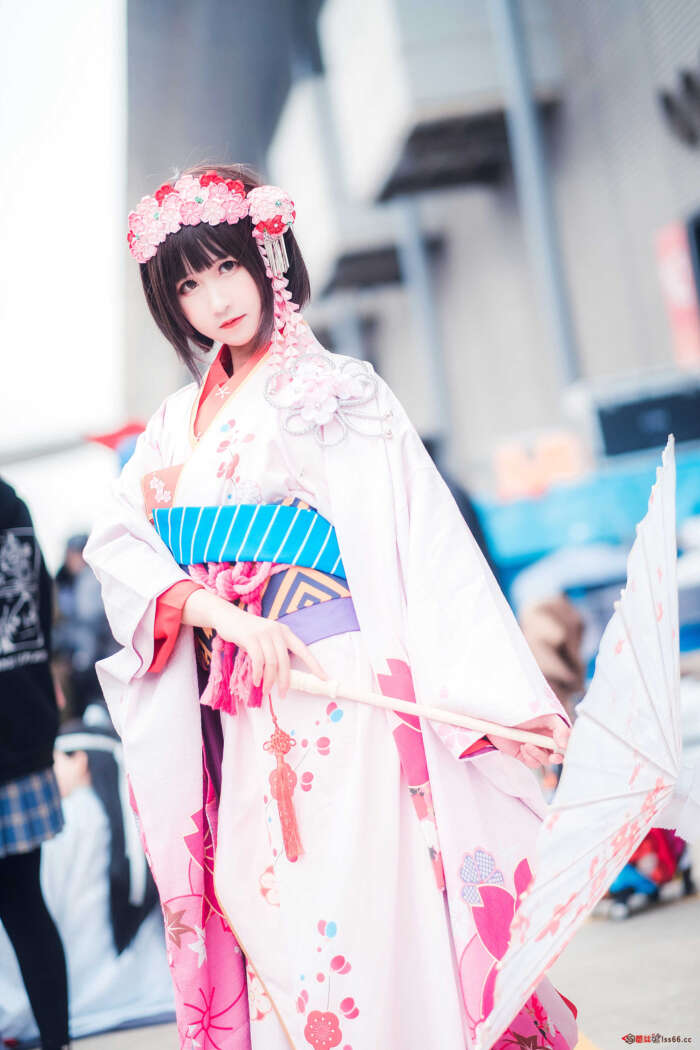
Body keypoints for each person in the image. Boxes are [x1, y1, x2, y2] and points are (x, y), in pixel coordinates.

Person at [85, 164, 578, 1050]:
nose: (215, 300)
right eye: (188, 286)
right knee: (264, 898)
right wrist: (225, 616)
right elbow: (119, 544)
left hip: (344, 689)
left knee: (361, 902)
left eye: (226, 267)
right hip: (247, 695)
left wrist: (503, 704)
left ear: (265, 255)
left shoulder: (335, 388)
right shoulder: (171, 425)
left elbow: (424, 547)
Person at [0, 721, 173, 1042]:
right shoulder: (137, 815)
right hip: (150, 988)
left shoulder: (71, 819)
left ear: (79, 760)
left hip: (75, 997)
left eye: (53, 760)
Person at [0, 478, 70, 1050]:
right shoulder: (11, 502)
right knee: (27, 907)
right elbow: (43, 606)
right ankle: (56, 1041)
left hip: (19, 726)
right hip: (22, 718)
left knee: (25, 907)